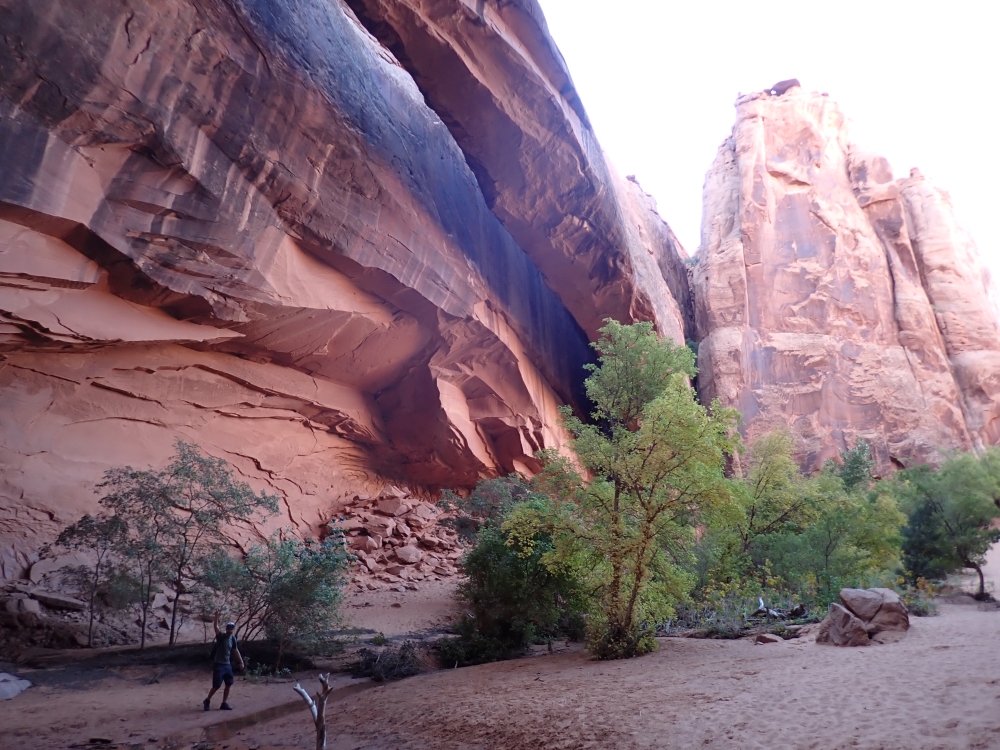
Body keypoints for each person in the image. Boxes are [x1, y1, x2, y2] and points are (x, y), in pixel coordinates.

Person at [204, 611, 244, 711]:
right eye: (229, 628)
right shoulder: (221, 636)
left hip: (227, 665)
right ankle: (207, 700)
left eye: (231, 629)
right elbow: (216, 627)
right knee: (217, 685)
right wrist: (216, 616)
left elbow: (235, 650)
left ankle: (224, 703)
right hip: (219, 664)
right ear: (226, 629)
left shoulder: (233, 639)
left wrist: (241, 661)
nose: (230, 630)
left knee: (228, 684)